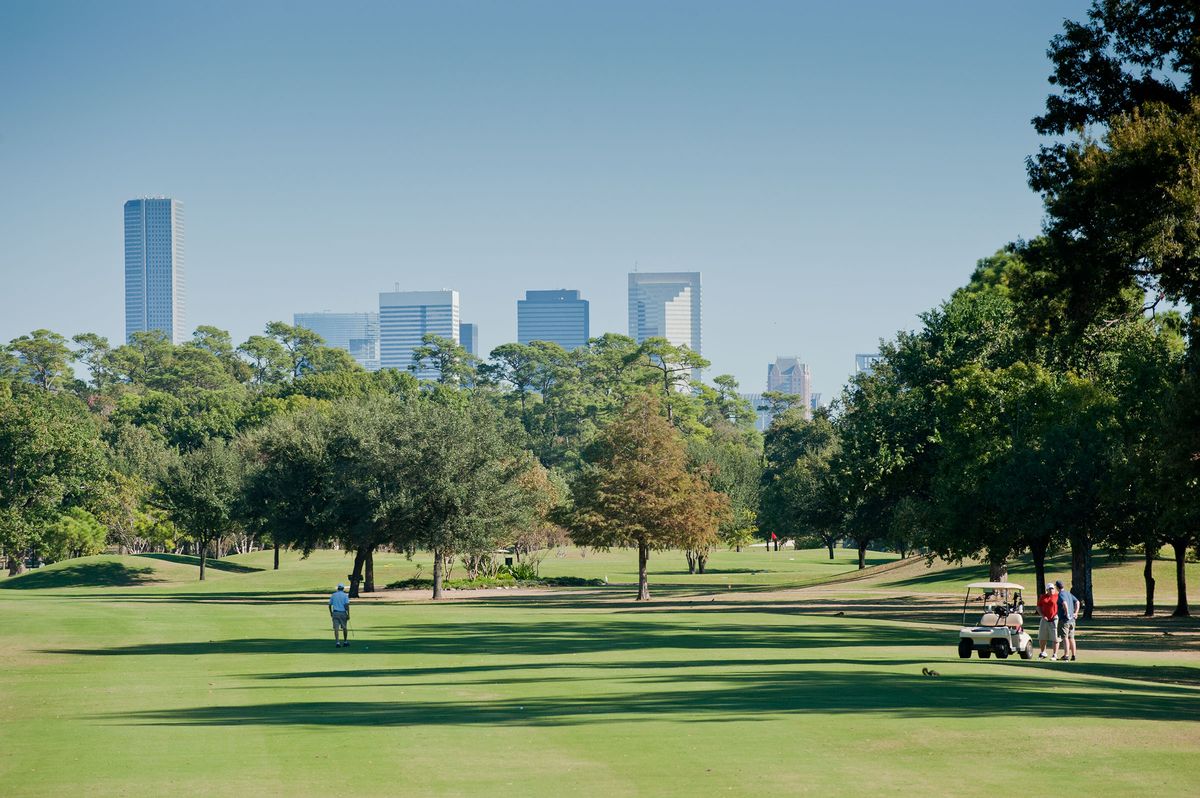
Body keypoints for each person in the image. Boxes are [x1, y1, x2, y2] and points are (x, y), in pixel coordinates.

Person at [1055, 579, 1080, 661]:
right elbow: (1077, 602)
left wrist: (1066, 612)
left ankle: (1066, 655)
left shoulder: (1061, 594)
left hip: (1064, 620)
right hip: (1072, 620)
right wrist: (1076, 613)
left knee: (1065, 638)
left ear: (1057, 587)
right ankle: (1074, 655)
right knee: (1071, 638)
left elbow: (1064, 603)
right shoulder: (1068, 593)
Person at [1036, 584, 1059, 660]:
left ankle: (1055, 654)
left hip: (1054, 619)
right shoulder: (1043, 597)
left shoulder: (1057, 596)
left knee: (1055, 637)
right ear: (1047, 590)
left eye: (1052, 588)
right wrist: (1043, 616)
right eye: (1050, 589)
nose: (1051, 590)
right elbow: (1038, 607)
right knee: (1042, 637)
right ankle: (1043, 652)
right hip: (1044, 619)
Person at [329, 583, 351, 648]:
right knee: (344, 628)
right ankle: (345, 641)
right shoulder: (345, 595)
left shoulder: (333, 595)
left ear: (338, 588)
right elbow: (346, 605)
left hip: (335, 613)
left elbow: (329, 605)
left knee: (336, 628)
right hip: (343, 613)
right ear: (343, 588)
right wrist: (348, 614)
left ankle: (337, 642)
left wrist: (331, 613)